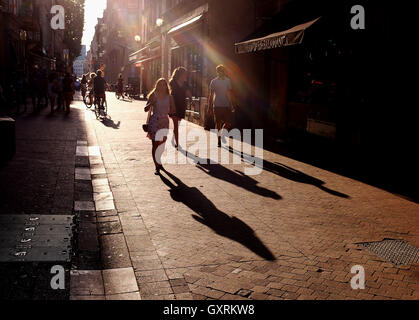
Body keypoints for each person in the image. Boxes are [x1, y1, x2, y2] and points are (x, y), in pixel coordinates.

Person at [145, 78, 176, 175]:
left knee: (162, 145)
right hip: (154, 121)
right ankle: (157, 166)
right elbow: (146, 109)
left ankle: (159, 161)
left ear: (166, 86)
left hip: (164, 122)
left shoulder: (169, 97)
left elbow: (173, 110)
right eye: (160, 84)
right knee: (155, 144)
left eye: (164, 84)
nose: (162, 86)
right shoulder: (153, 95)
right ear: (157, 85)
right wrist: (151, 103)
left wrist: (172, 111)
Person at [208, 65, 235, 147]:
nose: (221, 72)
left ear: (224, 71)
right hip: (217, 105)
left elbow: (230, 94)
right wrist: (209, 107)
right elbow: (211, 95)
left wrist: (231, 104)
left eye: (223, 71)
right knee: (218, 123)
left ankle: (222, 133)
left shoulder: (228, 81)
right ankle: (219, 140)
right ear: (217, 72)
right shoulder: (214, 81)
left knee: (228, 123)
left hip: (226, 105)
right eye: (220, 71)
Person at [169, 67, 192, 149]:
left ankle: (174, 137)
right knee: (176, 125)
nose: (186, 76)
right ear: (180, 74)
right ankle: (177, 144)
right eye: (185, 74)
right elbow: (170, 93)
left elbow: (188, 93)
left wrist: (190, 97)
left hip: (182, 105)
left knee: (177, 125)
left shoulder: (185, 84)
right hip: (174, 105)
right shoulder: (172, 82)